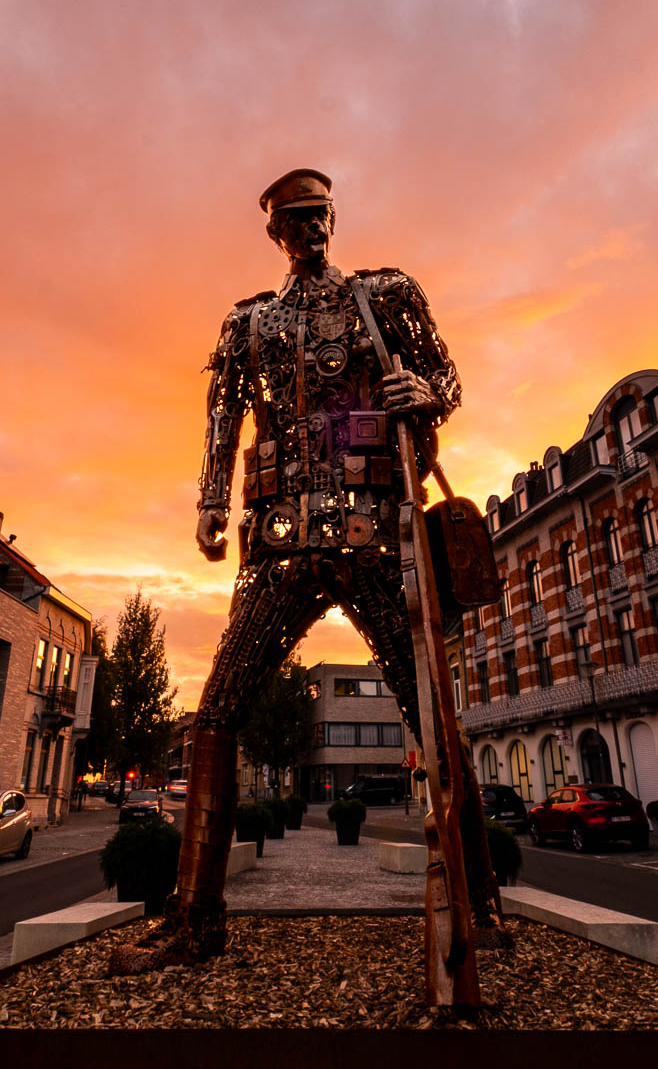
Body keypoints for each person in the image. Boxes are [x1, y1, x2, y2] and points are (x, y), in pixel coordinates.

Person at [151, 169, 500, 965]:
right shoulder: (248, 323)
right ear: (275, 231)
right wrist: (210, 499)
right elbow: (223, 413)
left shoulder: (383, 296)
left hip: (372, 529)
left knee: (430, 712)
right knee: (213, 714)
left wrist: (427, 391)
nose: (313, 230)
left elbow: (444, 375)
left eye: (322, 216)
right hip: (278, 540)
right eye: (298, 220)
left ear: (334, 218)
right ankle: (194, 920)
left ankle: (479, 907)